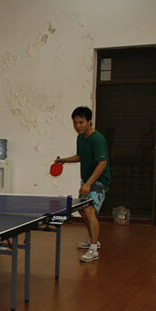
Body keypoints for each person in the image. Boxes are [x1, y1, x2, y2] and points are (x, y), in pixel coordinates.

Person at [54, 106, 111, 262]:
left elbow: (102, 163)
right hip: (87, 180)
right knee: (82, 209)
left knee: (89, 210)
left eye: (81, 122)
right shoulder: (80, 138)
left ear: (89, 121)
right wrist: (64, 160)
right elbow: (80, 156)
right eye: (75, 123)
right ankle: (92, 239)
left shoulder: (97, 139)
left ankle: (93, 249)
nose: (77, 126)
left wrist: (88, 184)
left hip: (99, 181)